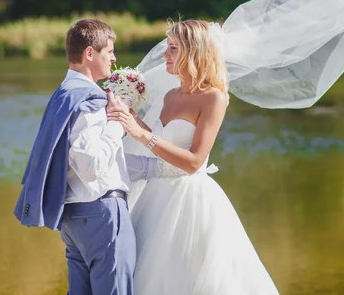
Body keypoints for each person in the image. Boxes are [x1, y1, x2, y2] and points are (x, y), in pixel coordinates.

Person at [108, 19, 280, 295]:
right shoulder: (170, 95)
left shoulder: (214, 98)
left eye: (173, 48)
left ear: (194, 52)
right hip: (155, 197)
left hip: (190, 199)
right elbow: (159, 140)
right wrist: (128, 117)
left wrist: (143, 136)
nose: (165, 54)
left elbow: (194, 161)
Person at [14, 18, 155, 295]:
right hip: (102, 214)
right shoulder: (90, 99)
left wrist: (156, 167)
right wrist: (117, 121)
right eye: (109, 51)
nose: (114, 58)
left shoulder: (63, 94)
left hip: (73, 217)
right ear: (90, 53)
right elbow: (91, 167)